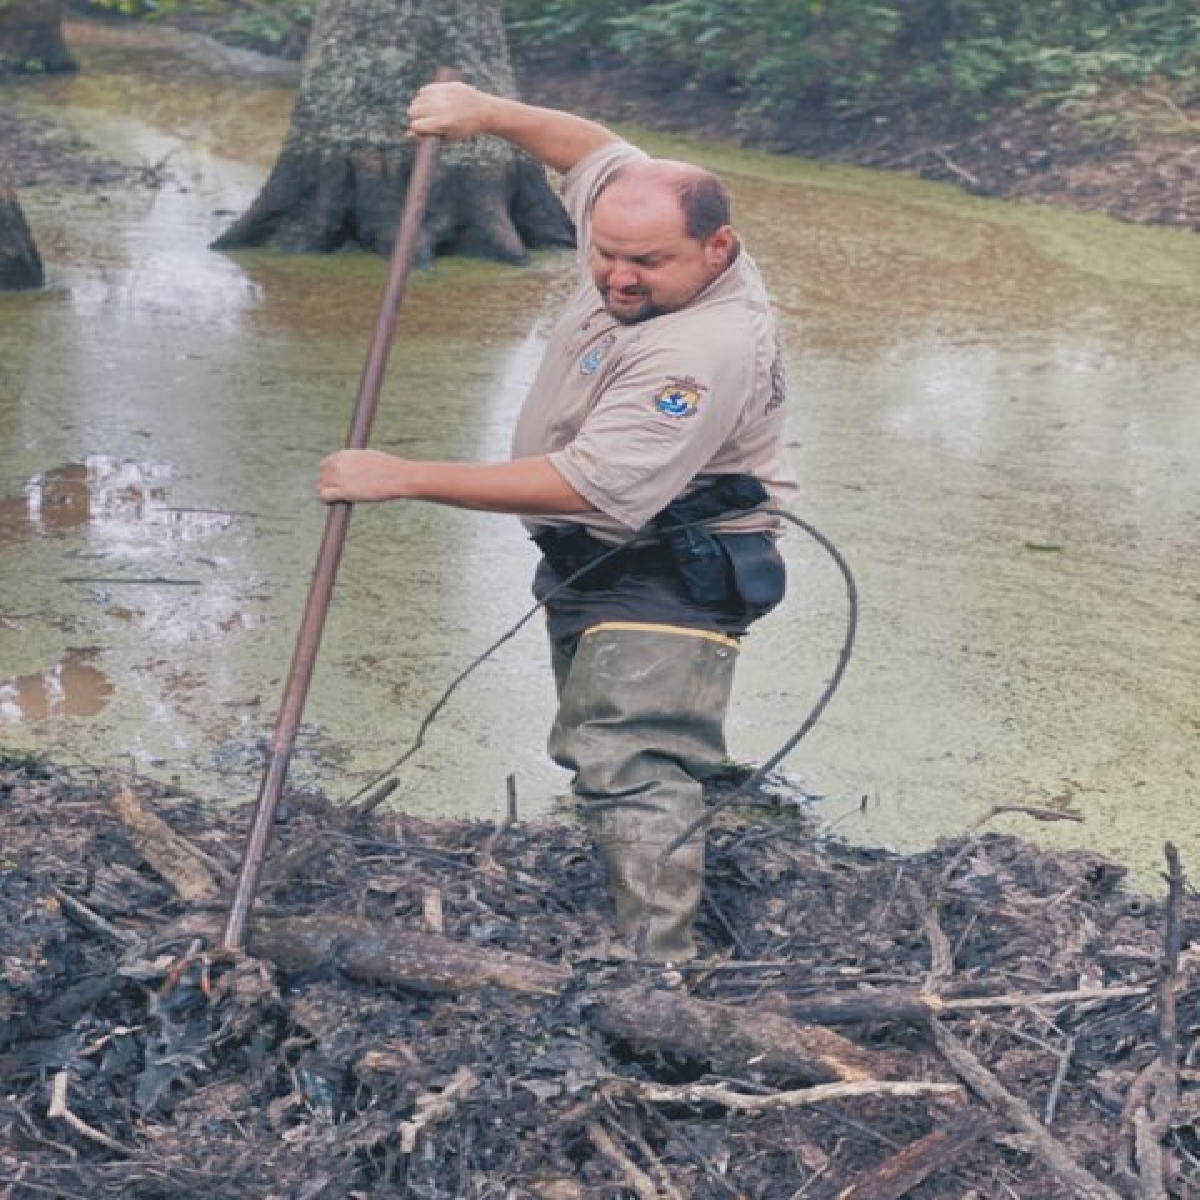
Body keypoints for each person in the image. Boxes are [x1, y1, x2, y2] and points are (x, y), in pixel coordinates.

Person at [319, 82, 797, 962]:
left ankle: (657, 966)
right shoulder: (643, 224)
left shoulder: (701, 349)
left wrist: (401, 477)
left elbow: (591, 487)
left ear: (717, 247)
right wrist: (486, 112)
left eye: (646, 262)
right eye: (606, 253)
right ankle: (647, 883)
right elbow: (591, 151)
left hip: (671, 567)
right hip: (598, 561)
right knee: (598, 742)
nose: (619, 276)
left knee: (631, 760)